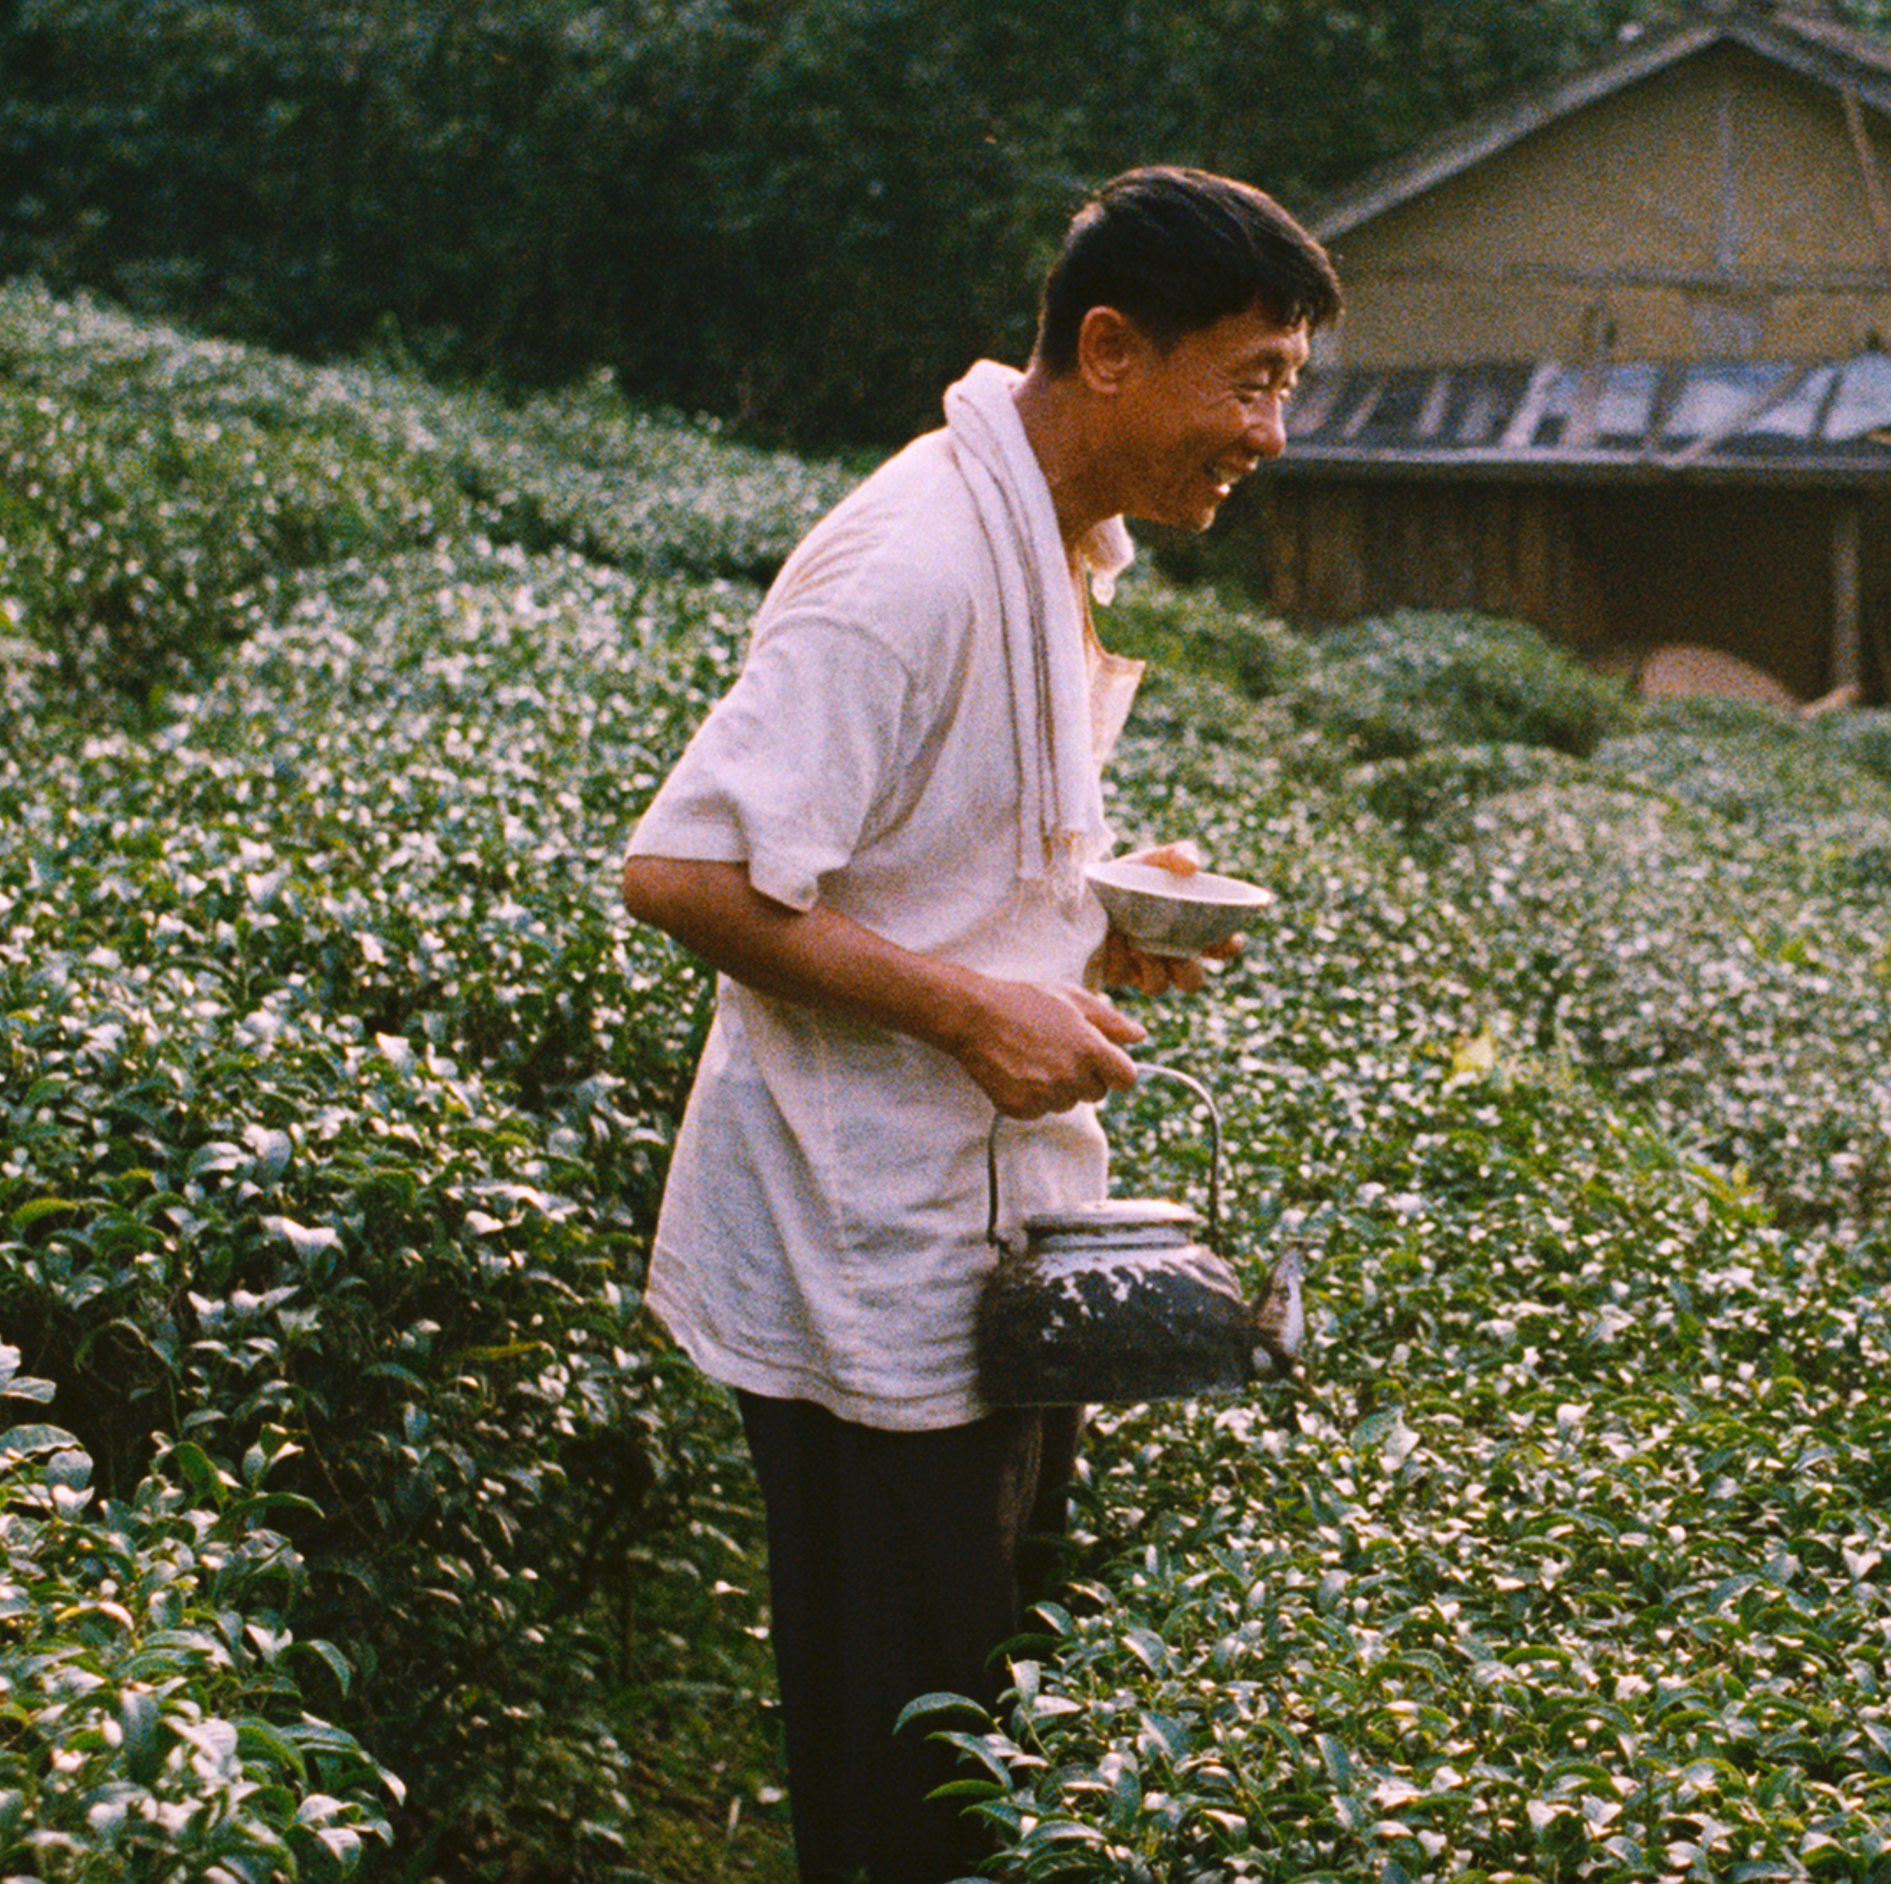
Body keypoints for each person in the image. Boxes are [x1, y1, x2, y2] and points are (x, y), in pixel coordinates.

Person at [618, 167, 1340, 1883]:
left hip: (979, 1222)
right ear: (1110, 349)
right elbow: (683, 869)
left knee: (973, 1715)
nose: (1273, 431)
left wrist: (1092, 910)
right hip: (868, 1228)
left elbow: (912, 855)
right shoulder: (916, 561)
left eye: (1287, 387)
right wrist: (971, 1012)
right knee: (906, 1756)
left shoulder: (1040, 535)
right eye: (1252, 379)